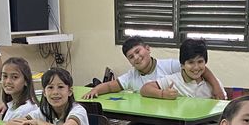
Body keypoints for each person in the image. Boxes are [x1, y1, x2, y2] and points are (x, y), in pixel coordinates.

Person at [79, 35, 224, 99]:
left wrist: (216, 87)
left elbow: (198, 69)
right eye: (131, 57)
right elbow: (111, 86)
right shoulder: (131, 76)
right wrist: (96, 89)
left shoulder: (169, 65)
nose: (136, 57)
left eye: (138, 52)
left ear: (148, 49)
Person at [139, 38, 225, 100]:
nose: (196, 67)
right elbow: (145, 89)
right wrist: (162, 94)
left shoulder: (213, 85)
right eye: (191, 62)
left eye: (200, 62)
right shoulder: (173, 81)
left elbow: (224, 107)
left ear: (205, 62)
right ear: (182, 65)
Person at [0, 57, 39, 123]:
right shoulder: (13, 104)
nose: (8, 81)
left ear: (26, 81)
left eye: (15, 77)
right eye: (5, 76)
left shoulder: (22, 111)